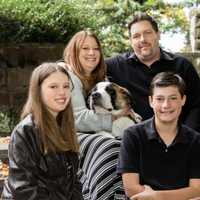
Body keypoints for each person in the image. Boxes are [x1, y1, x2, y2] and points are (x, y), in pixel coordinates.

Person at [106, 12, 200, 132]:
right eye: (136, 36)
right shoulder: (116, 66)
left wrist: (186, 136)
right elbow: (89, 66)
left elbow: (197, 106)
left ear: (158, 34)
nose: (142, 39)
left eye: (147, 33)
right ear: (131, 41)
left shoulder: (182, 65)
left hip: (178, 137)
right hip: (135, 140)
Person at [1, 62, 83, 200]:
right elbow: (23, 189)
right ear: (38, 91)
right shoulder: (25, 131)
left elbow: (73, 183)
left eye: (66, 86)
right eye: (53, 87)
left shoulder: (65, 126)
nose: (62, 92)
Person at [117, 72, 200, 200]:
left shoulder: (195, 140)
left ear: (183, 100)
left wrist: (157, 196)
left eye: (173, 98)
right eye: (160, 99)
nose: (166, 105)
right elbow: (131, 188)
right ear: (151, 101)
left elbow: (197, 189)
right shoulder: (132, 135)